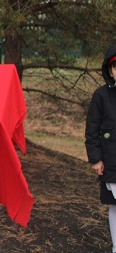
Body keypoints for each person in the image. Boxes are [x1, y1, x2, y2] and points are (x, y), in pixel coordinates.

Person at [86, 46, 116, 253]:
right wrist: (96, 159)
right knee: (115, 206)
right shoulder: (101, 96)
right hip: (112, 162)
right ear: (110, 70)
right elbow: (92, 130)